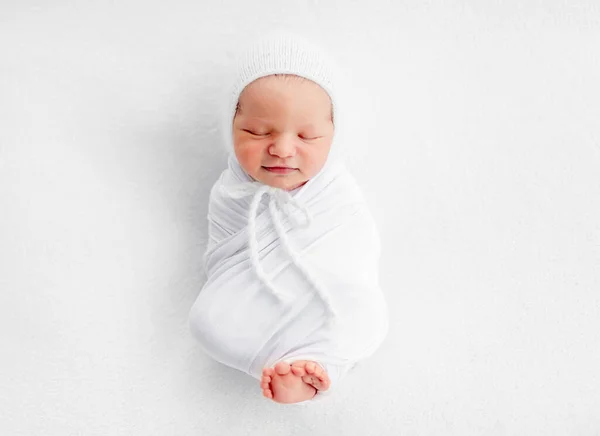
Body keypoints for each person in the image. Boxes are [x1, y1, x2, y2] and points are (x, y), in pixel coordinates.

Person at [188, 30, 389, 405]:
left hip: (324, 296)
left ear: (334, 137)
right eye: (256, 131)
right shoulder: (230, 190)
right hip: (257, 298)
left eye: (307, 136)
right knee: (206, 324)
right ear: (230, 129)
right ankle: (283, 366)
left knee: (366, 315)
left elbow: (357, 254)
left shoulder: (336, 191)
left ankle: (320, 367)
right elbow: (223, 261)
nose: (281, 149)